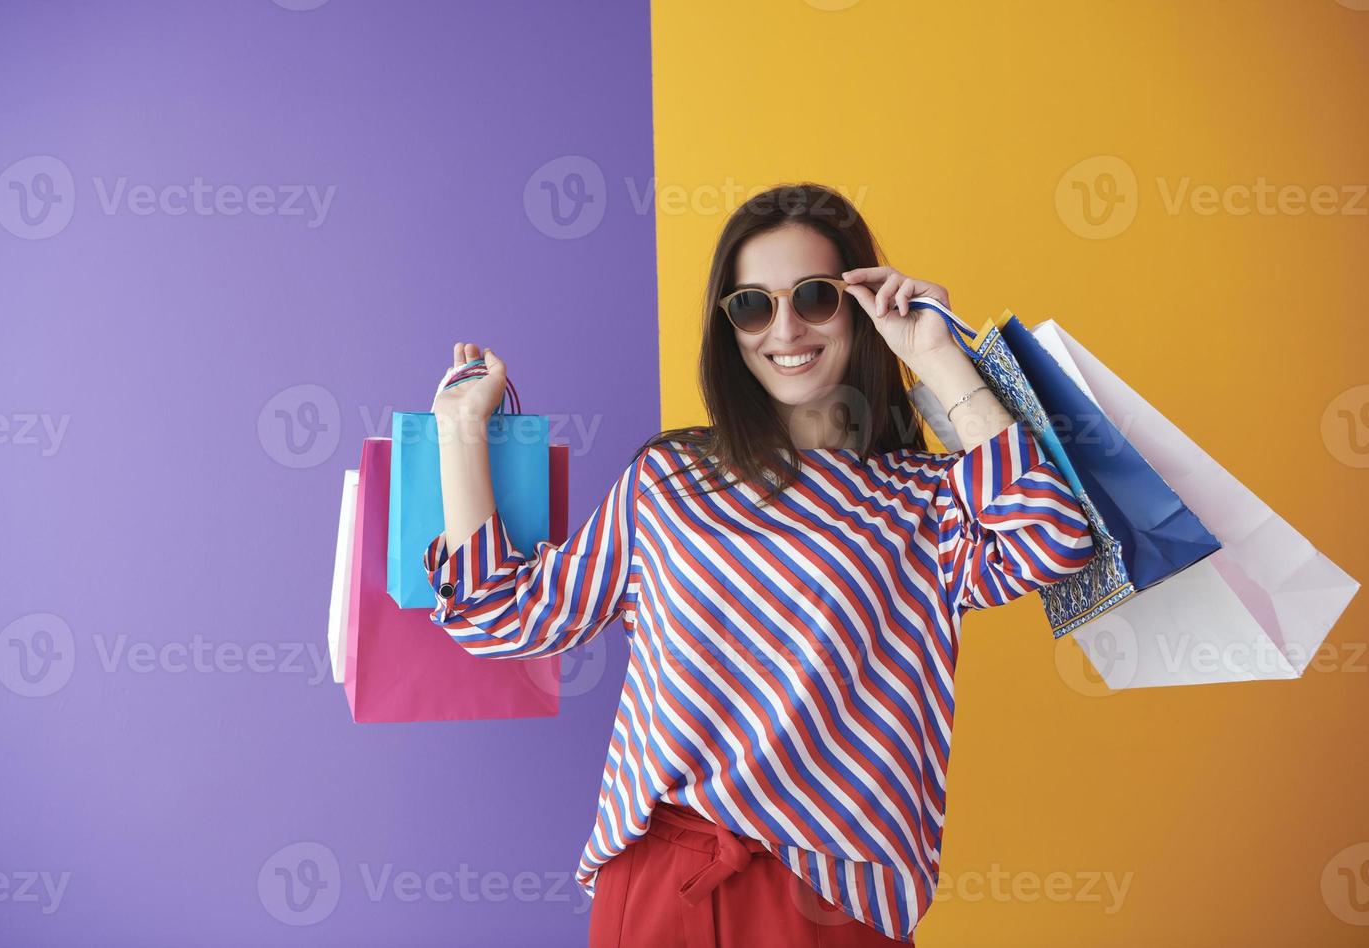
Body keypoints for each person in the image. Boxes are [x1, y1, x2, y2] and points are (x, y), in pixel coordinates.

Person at [424, 183, 1096, 947]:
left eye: (814, 297)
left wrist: (938, 355)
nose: (786, 329)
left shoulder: (927, 501)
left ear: (859, 307)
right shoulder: (669, 480)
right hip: (661, 881)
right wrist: (459, 432)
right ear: (729, 327)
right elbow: (503, 615)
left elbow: (1054, 535)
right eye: (752, 305)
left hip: (834, 897)